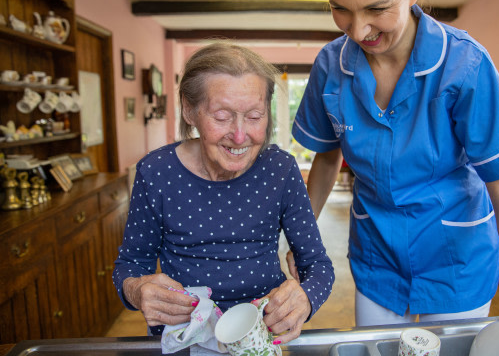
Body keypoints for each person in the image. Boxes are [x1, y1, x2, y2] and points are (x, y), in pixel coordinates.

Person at [290, 0, 499, 355]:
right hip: (377, 256)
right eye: (340, 9)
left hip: (457, 257)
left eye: (377, 9)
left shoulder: (464, 64)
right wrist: (299, 240)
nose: (358, 30)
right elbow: (325, 158)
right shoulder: (330, 66)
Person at [113, 43, 334, 344]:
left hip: (261, 334)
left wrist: (306, 299)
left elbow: (318, 265)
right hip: (185, 335)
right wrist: (136, 291)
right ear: (189, 110)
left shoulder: (280, 169)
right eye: (221, 116)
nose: (241, 136)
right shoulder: (156, 173)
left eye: (255, 116)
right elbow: (131, 264)